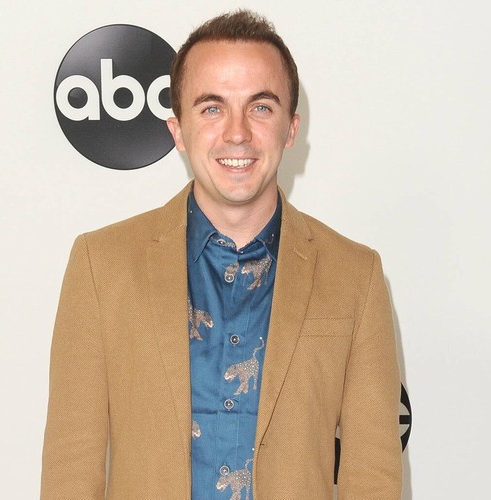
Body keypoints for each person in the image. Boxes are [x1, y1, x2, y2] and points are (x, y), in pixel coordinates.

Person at [41, 10, 402, 500]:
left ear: (291, 128)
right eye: (212, 108)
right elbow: (70, 471)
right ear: (177, 130)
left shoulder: (355, 277)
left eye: (261, 107)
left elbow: (373, 478)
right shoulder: (101, 267)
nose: (237, 133)